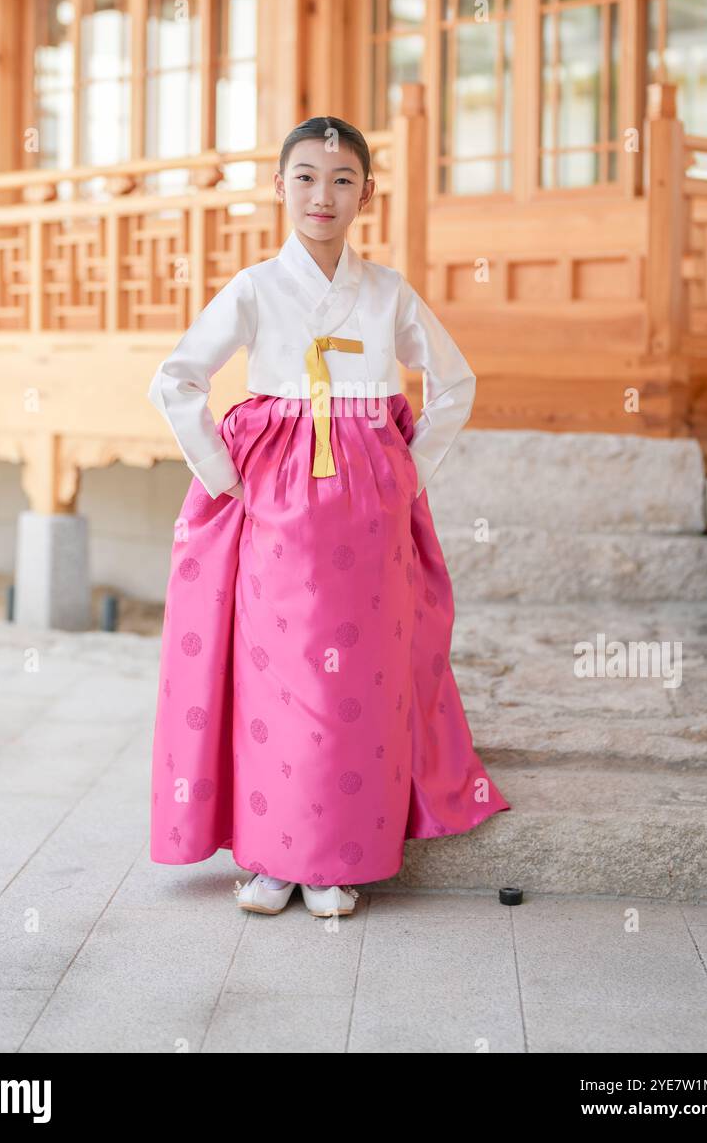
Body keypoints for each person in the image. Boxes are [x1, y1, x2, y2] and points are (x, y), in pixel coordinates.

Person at [147, 115, 510, 920]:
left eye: (342, 180)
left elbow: (455, 383)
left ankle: (336, 857)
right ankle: (272, 857)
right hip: (274, 500)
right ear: (279, 188)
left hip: (368, 504)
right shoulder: (254, 287)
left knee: (363, 674)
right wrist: (222, 475)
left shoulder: (387, 292)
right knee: (279, 675)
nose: (323, 194)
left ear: (366, 194)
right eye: (306, 177)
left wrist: (411, 468)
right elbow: (175, 379)